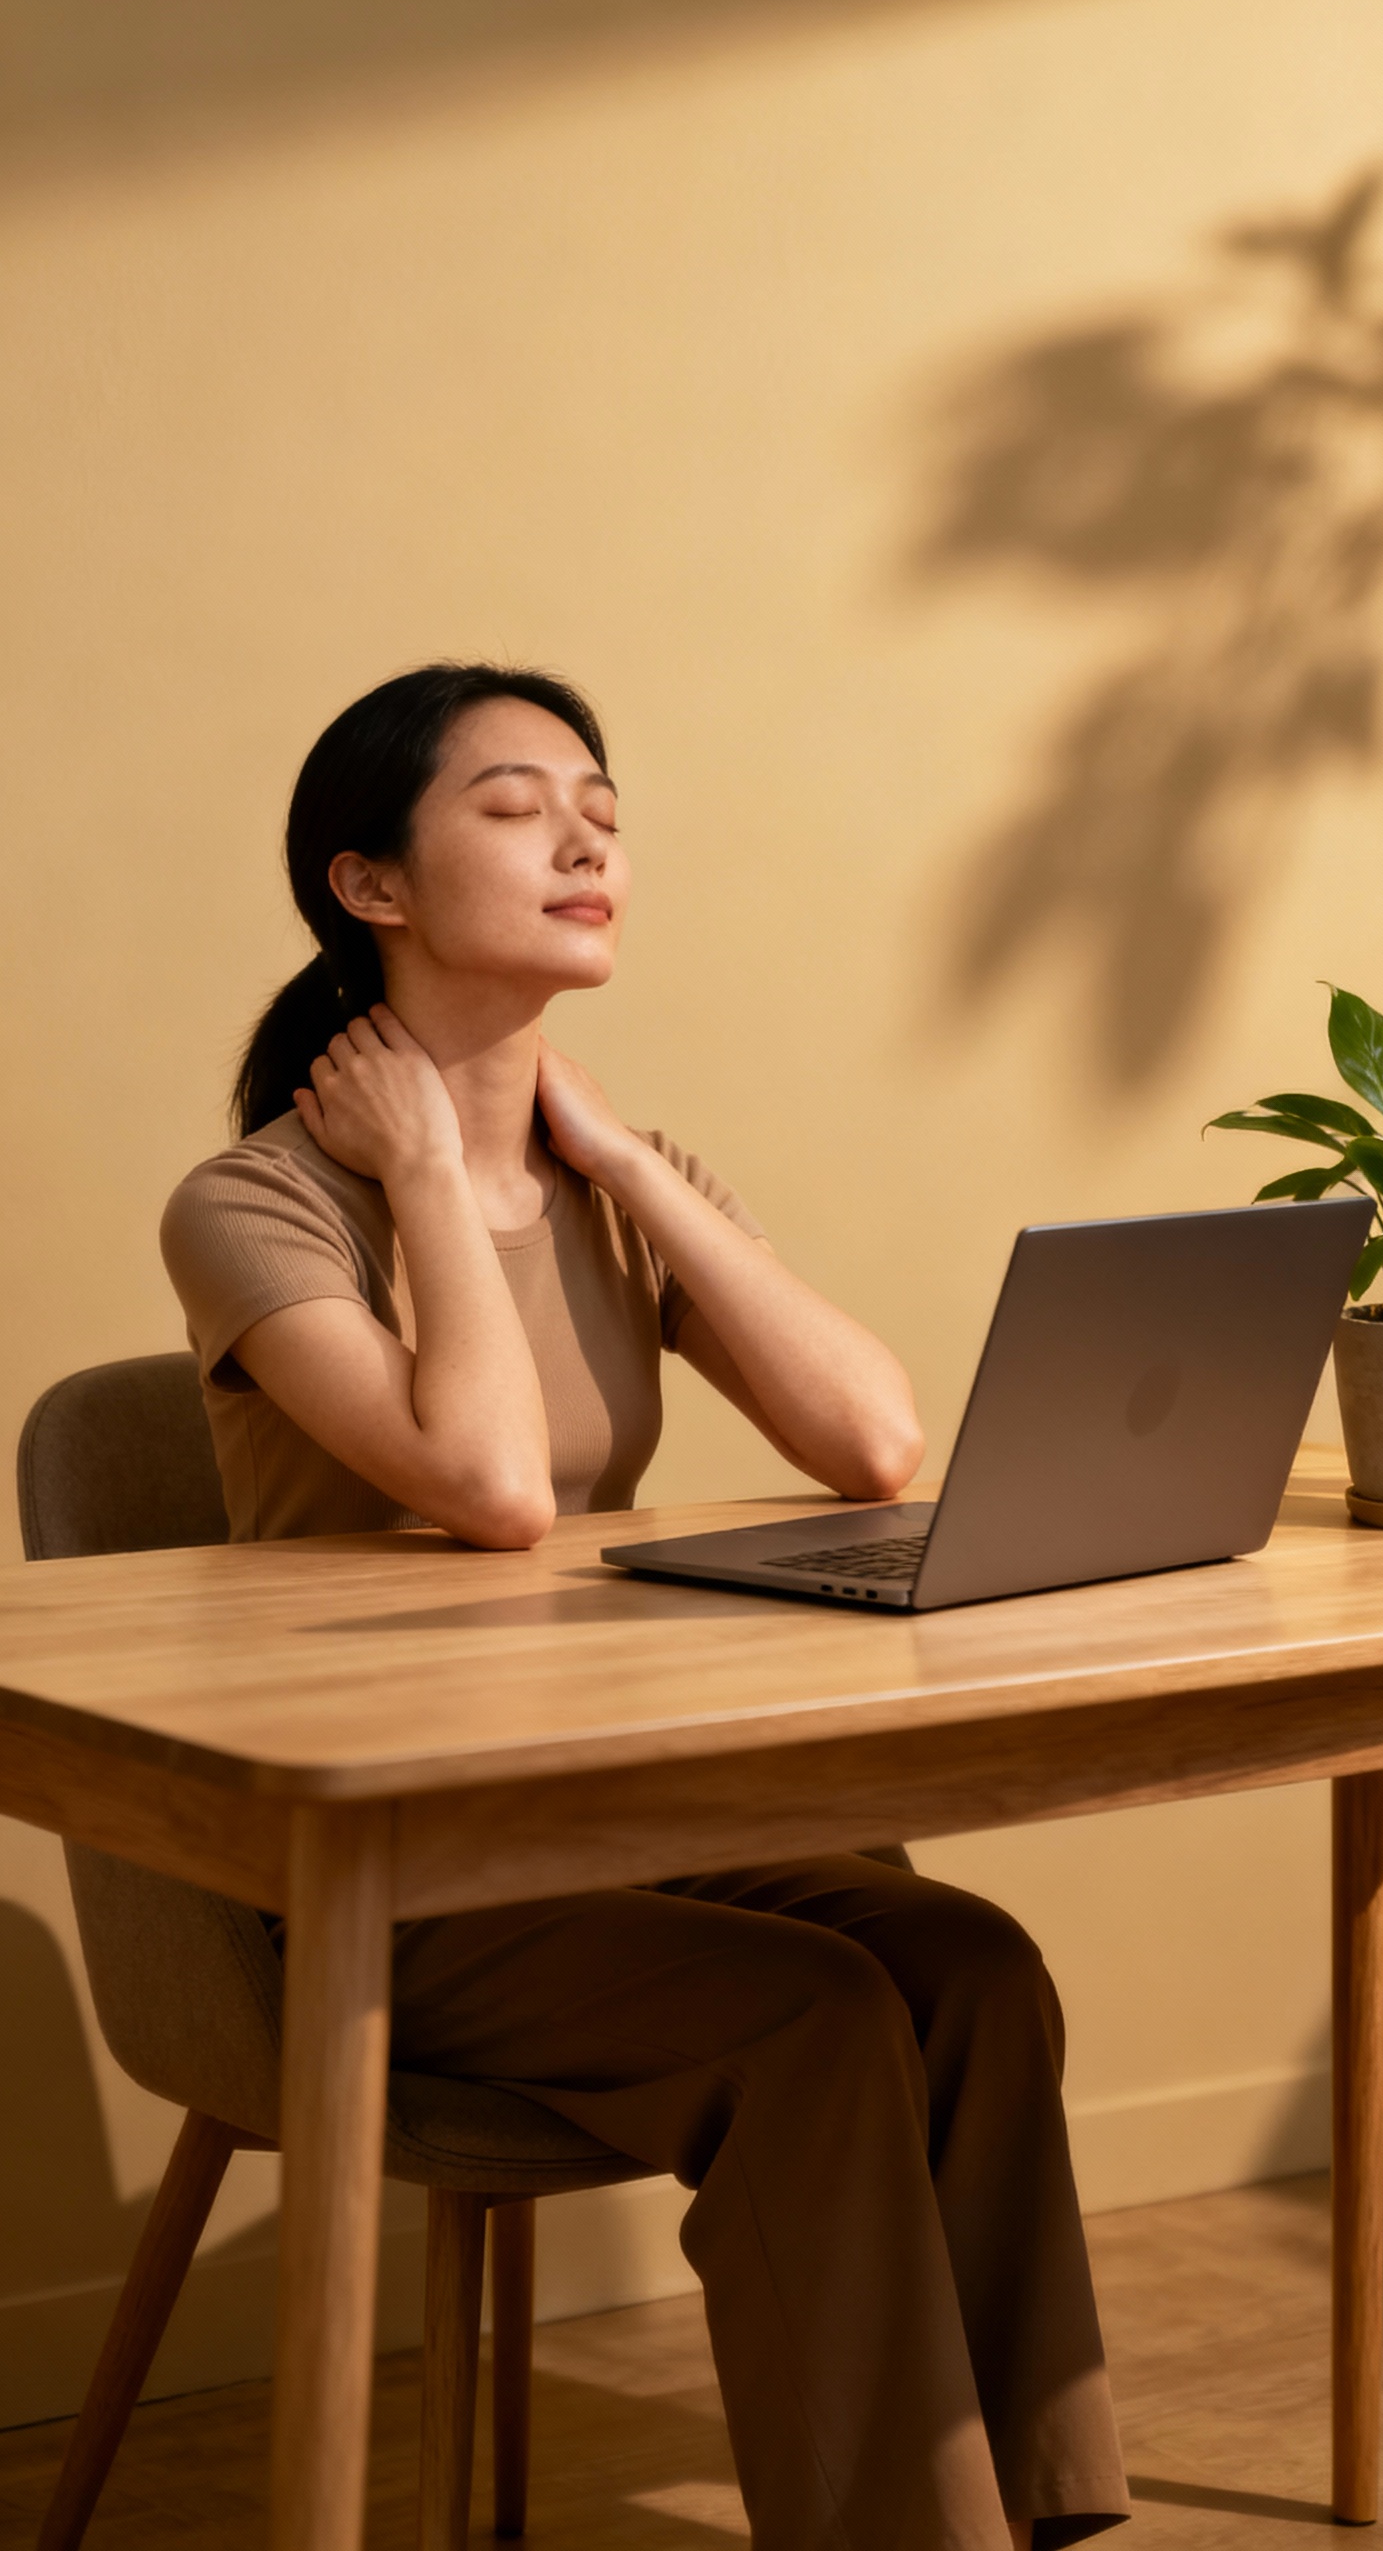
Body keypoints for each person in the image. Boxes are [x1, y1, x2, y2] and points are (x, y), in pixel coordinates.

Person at [162, 663, 1129, 2551]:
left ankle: (1037, 2517)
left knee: (973, 1969)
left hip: (618, 1807)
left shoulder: (621, 1185)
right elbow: (496, 1491)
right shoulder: (255, 1205)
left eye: (600, 807)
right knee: (814, 2016)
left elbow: (874, 1439)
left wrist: (609, 1163)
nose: (585, 838)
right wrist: (432, 1169)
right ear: (369, 884)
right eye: (517, 806)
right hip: (392, 1866)